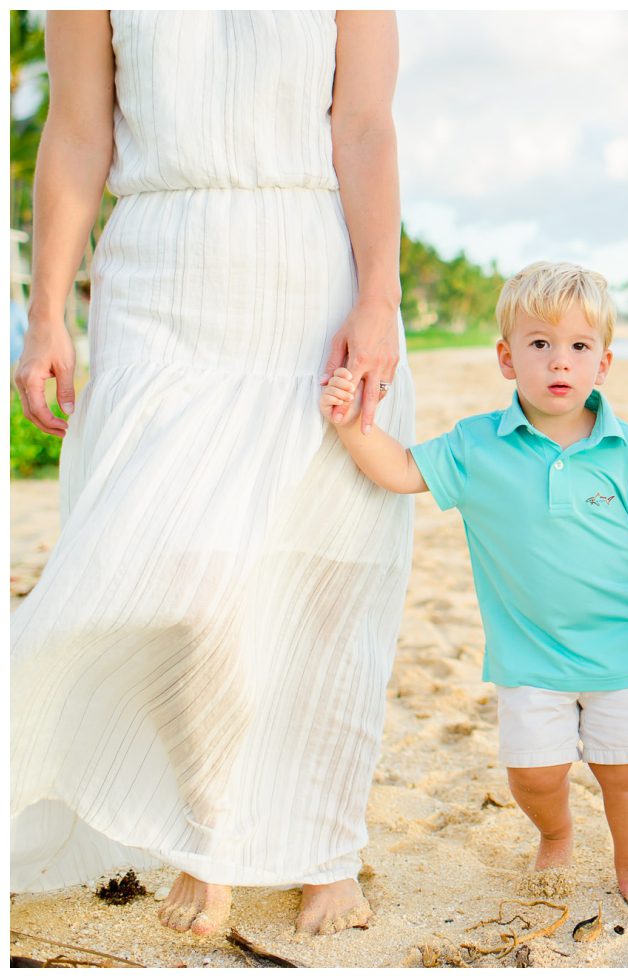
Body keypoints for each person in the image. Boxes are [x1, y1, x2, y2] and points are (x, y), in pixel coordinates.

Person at [11, 12, 412, 937]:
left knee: (319, 580)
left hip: (311, 273)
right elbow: (76, 132)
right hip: (158, 279)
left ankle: (324, 848)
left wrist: (379, 296)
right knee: (181, 579)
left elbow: (363, 127)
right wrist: (45, 314)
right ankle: (209, 831)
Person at [321, 261, 628, 907]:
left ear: (603, 365)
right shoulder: (477, 446)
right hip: (530, 654)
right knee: (533, 774)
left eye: (579, 347)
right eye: (540, 344)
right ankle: (556, 833)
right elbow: (402, 470)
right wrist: (350, 426)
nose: (561, 362)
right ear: (507, 358)